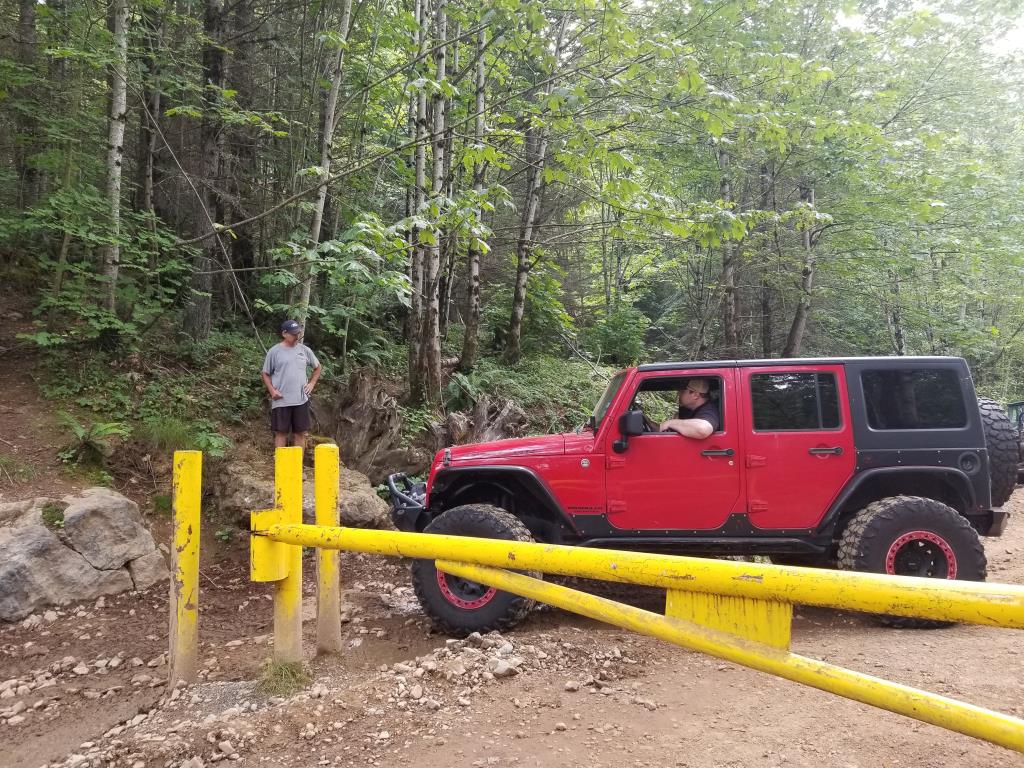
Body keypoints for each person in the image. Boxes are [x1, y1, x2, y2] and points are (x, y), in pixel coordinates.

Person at [261, 319, 322, 449]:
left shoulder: (305, 350)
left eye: (298, 334)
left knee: (301, 433)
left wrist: (311, 383)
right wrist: (272, 391)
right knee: (280, 433)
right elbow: (265, 373)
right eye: (294, 334)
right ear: (284, 333)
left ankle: (297, 466)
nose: (297, 336)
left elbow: (318, 367)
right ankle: (281, 467)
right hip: (281, 399)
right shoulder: (274, 352)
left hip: (301, 399)